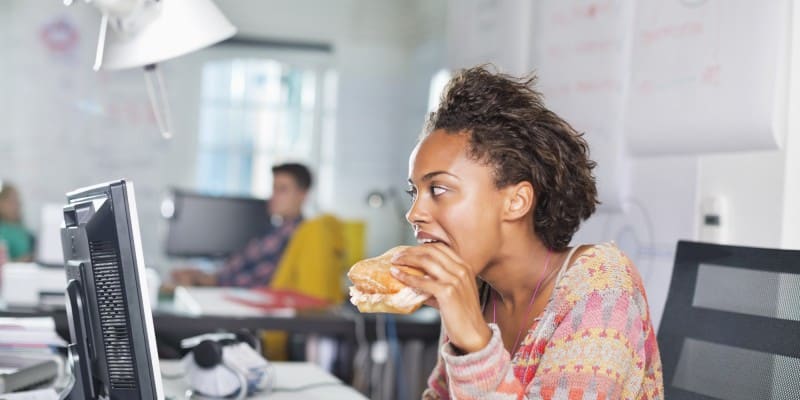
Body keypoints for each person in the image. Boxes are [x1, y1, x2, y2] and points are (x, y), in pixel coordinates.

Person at [389, 66, 663, 399]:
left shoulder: (602, 285)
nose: (414, 213)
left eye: (439, 189)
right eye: (414, 192)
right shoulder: (471, 288)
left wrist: (475, 342)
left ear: (516, 201)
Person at [171, 163, 312, 288]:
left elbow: (258, 282)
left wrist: (206, 281)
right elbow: (239, 264)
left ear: (302, 195)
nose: (273, 196)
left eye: (282, 190)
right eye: (273, 188)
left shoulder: (296, 236)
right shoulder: (274, 231)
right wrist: (204, 275)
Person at [0, 181, 34, 262]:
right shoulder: (2, 230)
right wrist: (21, 261)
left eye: (17, 201)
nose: (17, 205)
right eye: (11, 202)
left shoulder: (21, 228)